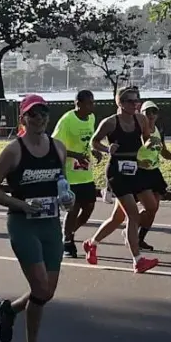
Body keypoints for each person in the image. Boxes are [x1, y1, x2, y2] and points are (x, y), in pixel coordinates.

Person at [0, 94, 74, 342]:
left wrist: (68, 198)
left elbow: (62, 183)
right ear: (22, 118)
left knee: (46, 292)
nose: (39, 118)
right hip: (23, 225)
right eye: (32, 114)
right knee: (41, 289)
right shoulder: (14, 150)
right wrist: (22, 205)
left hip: (51, 224)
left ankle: (9, 310)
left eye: (43, 113)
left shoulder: (58, 147)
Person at [81, 87, 159, 273]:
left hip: (136, 168)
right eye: (131, 101)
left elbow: (147, 139)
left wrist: (151, 145)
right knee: (132, 214)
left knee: (148, 207)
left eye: (137, 101)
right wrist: (107, 149)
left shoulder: (140, 119)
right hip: (117, 172)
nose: (136, 104)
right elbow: (94, 141)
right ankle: (137, 260)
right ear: (121, 104)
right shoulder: (109, 123)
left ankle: (92, 243)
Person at [51, 89, 101, 258]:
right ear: (78, 104)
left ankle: (67, 234)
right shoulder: (67, 120)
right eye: (89, 103)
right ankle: (67, 242)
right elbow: (56, 146)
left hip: (86, 172)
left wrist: (94, 151)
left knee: (89, 208)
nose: (92, 106)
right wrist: (75, 155)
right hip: (70, 173)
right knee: (73, 208)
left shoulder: (92, 118)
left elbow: (90, 141)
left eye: (93, 102)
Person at [136, 100, 171, 250]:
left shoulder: (158, 129)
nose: (151, 115)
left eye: (154, 112)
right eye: (147, 112)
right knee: (150, 207)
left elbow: (163, 150)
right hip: (140, 172)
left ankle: (139, 238)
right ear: (141, 114)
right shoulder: (137, 130)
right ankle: (131, 227)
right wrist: (138, 161)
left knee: (154, 208)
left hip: (154, 172)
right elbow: (129, 149)